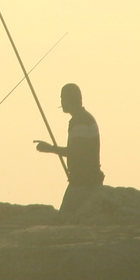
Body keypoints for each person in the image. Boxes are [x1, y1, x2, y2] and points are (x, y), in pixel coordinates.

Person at [35, 82, 104, 215]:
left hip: (83, 183)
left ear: (70, 99)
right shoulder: (82, 119)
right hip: (84, 180)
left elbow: (75, 152)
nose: (61, 102)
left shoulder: (81, 121)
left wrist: (50, 148)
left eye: (62, 98)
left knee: (64, 218)